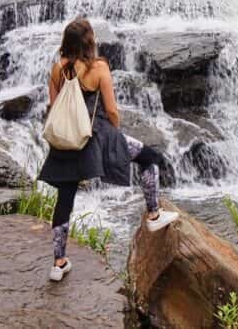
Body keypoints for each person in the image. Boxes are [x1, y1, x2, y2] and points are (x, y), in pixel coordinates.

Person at [38, 18, 179, 282]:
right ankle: (154, 214)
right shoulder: (99, 68)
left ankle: (58, 263)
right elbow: (112, 110)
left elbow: (55, 107)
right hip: (97, 136)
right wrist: (113, 133)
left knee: (64, 199)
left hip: (67, 140)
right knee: (150, 157)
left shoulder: (57, 69)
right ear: (89, 41)